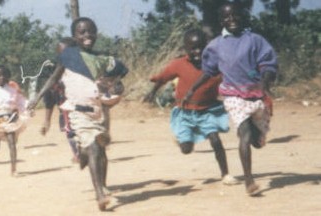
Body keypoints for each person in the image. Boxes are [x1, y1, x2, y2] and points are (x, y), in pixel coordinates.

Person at [28, 17, 127, 211]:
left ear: (96, 33)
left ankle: (98, 177)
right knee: (95, 149)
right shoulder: (68, 57)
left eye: (91, 31)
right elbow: (53, 79)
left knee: (100, 150)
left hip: (97, 112)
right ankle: (99, 194)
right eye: (82, 32)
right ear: (75, 36)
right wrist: (37, 97)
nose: (87, 35)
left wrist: (115, 86)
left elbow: (118, 79)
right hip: (77, 112)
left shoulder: (103, 59)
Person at [183, 3, 278, 196]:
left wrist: (265, 81)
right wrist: (192, 89)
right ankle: (249, 181)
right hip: (233, 96)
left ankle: (256, 133)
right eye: (227, 17)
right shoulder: (217, 45)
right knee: (244, 134)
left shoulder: (255, 41)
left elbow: (268, 64)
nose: (231, 19)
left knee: (257, 142)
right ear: (221, 21)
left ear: (243, 16)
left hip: (256, 96)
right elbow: (208, 70)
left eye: (235, 15)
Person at [144, 29, 238, 185]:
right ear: (185, 49)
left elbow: (232, 75)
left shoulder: (215, 64)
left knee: (215, 139)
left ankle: (225, 174)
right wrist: (152, 92)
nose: (198, 51)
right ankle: (184, 140)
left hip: (208, 110)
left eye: (201, 47)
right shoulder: (178, 64)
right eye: (193, 48)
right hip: (185, 111)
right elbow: (163, 78)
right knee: (186, 150)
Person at [40, 37, 80, 163]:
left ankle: (86, 151)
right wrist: (47, 121)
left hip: (84, 108)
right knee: (70, 133)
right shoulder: (55, 73)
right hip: (66, 111)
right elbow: (50, 98)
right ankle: (77, 155)